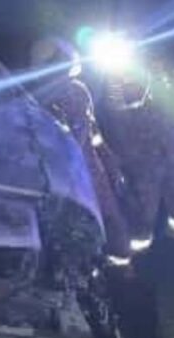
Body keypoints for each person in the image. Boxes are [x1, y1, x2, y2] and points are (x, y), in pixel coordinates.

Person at [30, 37, 130, 265]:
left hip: (87, 172)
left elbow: (92, 133)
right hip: (66, 177)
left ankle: (119, 268)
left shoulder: (77, 92)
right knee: (78, 229)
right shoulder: (45, 97)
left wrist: (112, 166)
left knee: (109, 222)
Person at [101, 56, 174, 256]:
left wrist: (159, 76)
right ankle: (138, 252)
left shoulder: (162, 73)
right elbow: (114, 109)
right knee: (142, 205)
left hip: (168, 149)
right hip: (137, 156)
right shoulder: (114, 81)